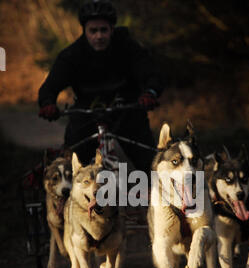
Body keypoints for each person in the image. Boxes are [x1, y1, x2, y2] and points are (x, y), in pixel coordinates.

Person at [38, 0, 164, 172]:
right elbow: (49, 87)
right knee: (71, 163)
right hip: (87, 114)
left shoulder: (128, 48)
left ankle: (154, 194)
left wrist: (150, 92)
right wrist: (47, 103)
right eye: (93, 31)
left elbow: (151, 74)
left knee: (150, 163)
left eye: (103, 30)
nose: (99, 36)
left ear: (112, 29)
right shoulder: (71, 55)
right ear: (84, 31)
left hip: (127, 111)